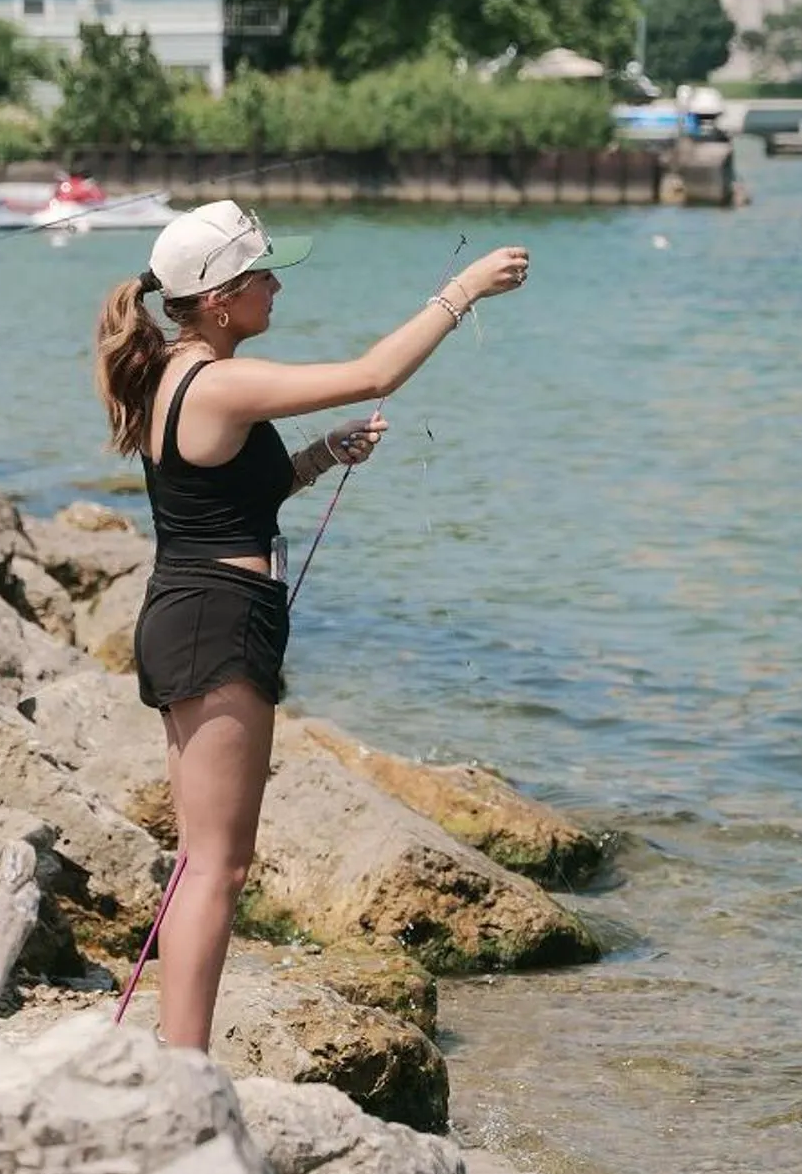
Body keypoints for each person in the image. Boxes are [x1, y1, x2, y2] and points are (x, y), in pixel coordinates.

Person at [94, 201, 530, 1048]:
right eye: (263, 274)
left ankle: (178, 1060)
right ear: (218, 298)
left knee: (201, 862)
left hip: (188, 615)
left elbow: (224, 503)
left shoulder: (176, 375)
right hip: (217, 625)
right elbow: (375, 372)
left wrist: (321, 455)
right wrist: (464, 289)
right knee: (219, 867)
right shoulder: (219, 381)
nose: (276, 286)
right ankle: (184, 1070)